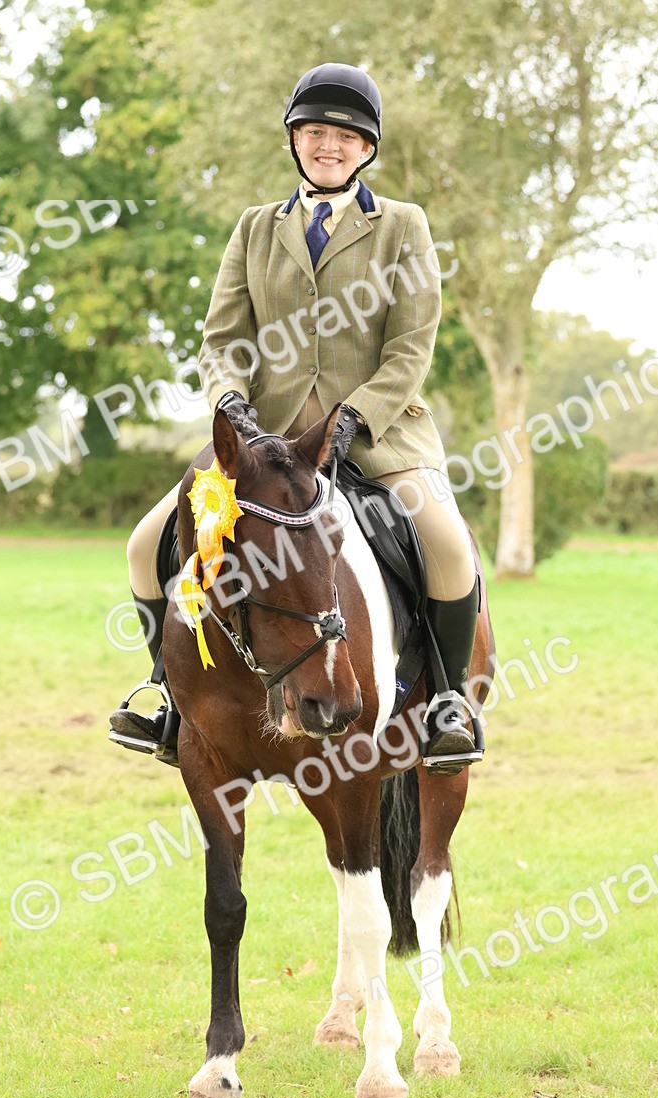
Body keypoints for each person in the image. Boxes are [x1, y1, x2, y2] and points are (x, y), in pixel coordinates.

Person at [110, 62, 480, 775]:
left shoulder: (404, 226)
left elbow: (410, 347)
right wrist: (232, 405)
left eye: (344, 136)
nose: (328, 146)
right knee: (143, 544)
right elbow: (222, 339)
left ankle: (449, 705)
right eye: (314, 133)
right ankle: (167, 696)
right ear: (294, 141)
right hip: (262, 446)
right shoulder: (255, 229)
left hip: (376, 437)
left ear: (367, 148)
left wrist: (353, 420)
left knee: (449, 545)